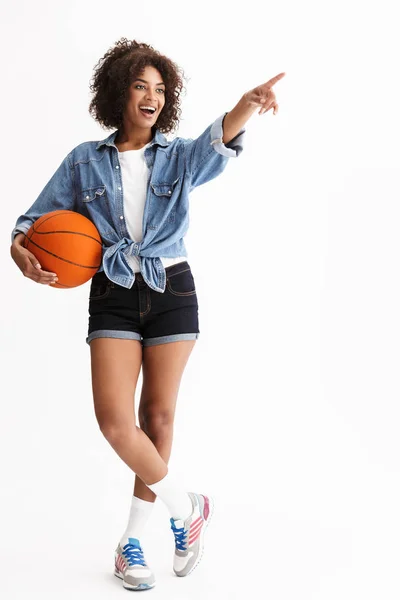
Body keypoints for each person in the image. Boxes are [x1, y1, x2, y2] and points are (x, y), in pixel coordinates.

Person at [10, 38, 285, 591]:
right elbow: (30, 222)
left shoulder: (178, 155)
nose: (151, 97)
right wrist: (22, 255)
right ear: (119, 91)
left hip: (171, 288)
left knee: (157, 420)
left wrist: (248, 105)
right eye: (140, 85)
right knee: (116, 421)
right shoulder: (84, 160)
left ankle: (132, 543)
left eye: (160, 89)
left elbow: (217, 141)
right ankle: (188, 508)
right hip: (112, 290)